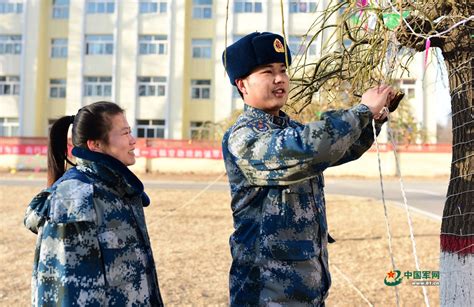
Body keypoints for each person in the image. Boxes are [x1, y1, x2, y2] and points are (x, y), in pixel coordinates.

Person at [221, 32, 400, 305]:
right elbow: (308, 148)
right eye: (268, 72)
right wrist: (362, 111)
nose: (280, 78)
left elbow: (339, 149)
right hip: (266, 294)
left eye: (282, 70)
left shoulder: (291, 128)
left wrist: (374, 119)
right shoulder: (244, 136)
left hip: (308, 291)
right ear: (242, 84)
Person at [24, 101, 164, 306]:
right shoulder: (75, 199)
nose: (133, 141)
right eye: (125, 133)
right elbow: (65, 291)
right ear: (95, 144)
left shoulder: (116, 188)